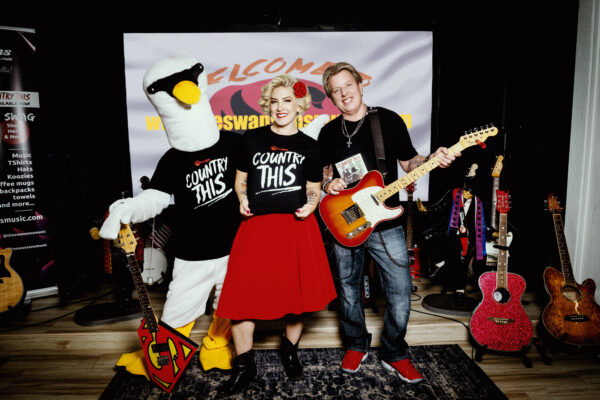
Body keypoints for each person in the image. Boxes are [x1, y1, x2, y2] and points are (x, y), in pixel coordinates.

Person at [318, 62, 460, 384]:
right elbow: (323, 174)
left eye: (347, 86)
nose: (344, 94)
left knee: (398, 292)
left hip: (386, 224)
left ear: (360, 85)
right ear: (331, 98)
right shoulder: (328, 132)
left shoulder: (388, 121)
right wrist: (329, 185)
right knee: (348, 291)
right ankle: (356, 344)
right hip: (347, 223)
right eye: (336, 91)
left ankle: (394, 352)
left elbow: (410, 162)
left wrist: (432, 160)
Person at [216, 74, 337, 396]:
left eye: (287, 100)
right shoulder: (251, 139)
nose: (281, 107)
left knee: (296, 300)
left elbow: (313, 188)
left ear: (299, 105)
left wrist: (311, 205)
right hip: (256, 227)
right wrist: (241, 198)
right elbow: (240, 181)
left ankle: (289, 349)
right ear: (267, 105)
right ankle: (244, 366)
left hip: (296, 229)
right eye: (275, 101)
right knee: (240, 300)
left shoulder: (311, 147)